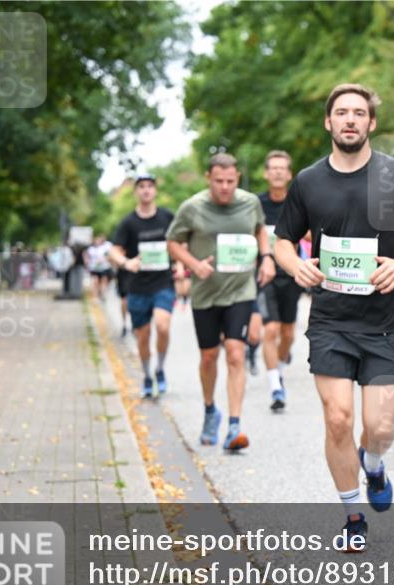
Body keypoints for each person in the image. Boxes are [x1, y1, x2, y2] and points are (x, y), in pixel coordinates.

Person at [274, 83, 394, 550]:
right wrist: (295, 265)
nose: (350, 120)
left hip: (386, 321)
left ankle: (373, 464)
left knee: (379, 428)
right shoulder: (308, 181)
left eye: (359, 113)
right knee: (338, 418)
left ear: (371, 123)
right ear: (328, 122)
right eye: (341, 112)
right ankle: (353, 516)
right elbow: (282, 241)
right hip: (331, 320)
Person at [168, 153, 275, 450]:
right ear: (208, 178)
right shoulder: (192, 207)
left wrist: (266, 257)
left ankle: (234, 426)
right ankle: (209, 410)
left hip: (241, 290)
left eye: (230, 181)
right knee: (208, 357)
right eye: (218, 181)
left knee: (236, 354)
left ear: (237, 178)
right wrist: (194, 265)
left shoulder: (250, 203)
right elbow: (173, 242)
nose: (225, 187)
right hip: (206, 293)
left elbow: (260, 230)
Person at [109, 174, 177, 398]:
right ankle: (147, 374)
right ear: (136, 192)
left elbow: (181, 241)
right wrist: (126, 262)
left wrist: (180, 263)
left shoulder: (167, 217)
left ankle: (160, 368)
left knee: (163, 326)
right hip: (137, 287)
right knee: (143, 336)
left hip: (163, 282)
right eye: (142, 187)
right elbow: (114, 251)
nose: (146, 190)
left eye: (150, 186)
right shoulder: (128, 223)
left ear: (155, 190)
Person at [257, 149, 303, 412]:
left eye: (281, 168)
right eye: (272, 168)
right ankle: (275, 387)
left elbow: (312, 232)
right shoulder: (256, 205)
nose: (277, 172)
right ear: (266, 173)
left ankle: (280, 368)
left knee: (287, 333)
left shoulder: (297, 203)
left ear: (289, 174)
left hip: (291, 273)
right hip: (265, 275)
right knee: (271, 329)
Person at [84, 235, 114, 299]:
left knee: (104, 281)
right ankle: (95, 297)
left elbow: (109, 254)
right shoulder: (91, 249)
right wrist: (87, 262)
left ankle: (102, 293)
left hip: (104, 267)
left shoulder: (105, 247)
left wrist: (105, 258)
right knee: (95, 281)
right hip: (94, 267)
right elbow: (87, 256)